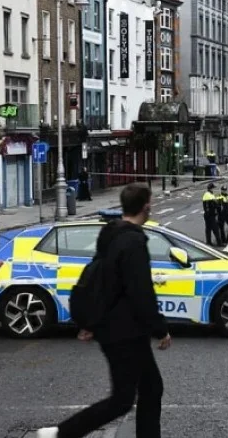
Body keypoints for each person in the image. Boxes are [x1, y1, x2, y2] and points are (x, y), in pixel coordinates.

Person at [37, 183, 172, 438]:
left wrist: (90, 322)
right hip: (123, 331)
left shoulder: (112, 235)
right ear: (146, 206)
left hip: (121, 327)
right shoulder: (132, 242)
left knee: (152, 387)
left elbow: (103, 281)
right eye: (150, 202)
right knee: (122, 399)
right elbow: (140, 291)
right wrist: (160, 329)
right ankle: (61, 433)